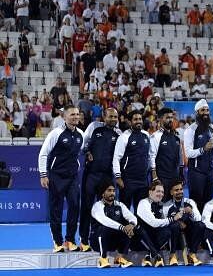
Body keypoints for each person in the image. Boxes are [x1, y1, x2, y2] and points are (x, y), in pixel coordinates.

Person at [38, 105, 85, 252]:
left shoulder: (81, 134)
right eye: (72, 114)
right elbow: (43, 154)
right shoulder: (56, 133)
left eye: (77, 114)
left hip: (72, 177)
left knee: (75, 206)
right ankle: (57, 242)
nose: (76, 117)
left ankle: (70, 240)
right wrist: (43, 174)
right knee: (56, 209)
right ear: (64, 117)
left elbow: (81, 151)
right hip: (56, 176)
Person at [79, 108, 121, 252]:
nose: (113, 119)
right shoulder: (93, 127)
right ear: (104, 116)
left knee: (106, 208)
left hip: (107, 177)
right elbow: (83, 146)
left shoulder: (119, 133)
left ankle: (101, 239)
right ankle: (84, 239)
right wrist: (88, 152)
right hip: (91, 174)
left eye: (115, 117)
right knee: (87, 207)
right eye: (110, 116)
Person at [90, 180, 151, 268]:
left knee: (130, 227)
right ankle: (102, 259)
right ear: (102, 193)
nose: (112, 193)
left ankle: (120, 258)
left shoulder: (120, 205)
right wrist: (123, 227)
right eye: (109, 190)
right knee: (104, 228)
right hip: (97, 241)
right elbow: (104, 220)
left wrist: (131, 224)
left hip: (113, 242)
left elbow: (132, 217)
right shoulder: (97, 206)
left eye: (114, 191)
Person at [136, 180, 183, 267]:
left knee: (169, 229)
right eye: (158, 191)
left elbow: (165, 223)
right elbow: (153, 223)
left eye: (162, 192)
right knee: (140, 228)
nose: (161, 194)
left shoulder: (162, 205)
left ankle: (149, 257)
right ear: (150, 192)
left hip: (155, 239)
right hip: (141, 240)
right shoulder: (143, 203)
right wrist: (173, 219)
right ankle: (156, 255)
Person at [112, 110, 151, 210]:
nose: (138, 121)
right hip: (128, 180)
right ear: (130, 122)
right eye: (135, 119)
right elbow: (116, 158)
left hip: (143, 180)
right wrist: (118, 177)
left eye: (140, 119)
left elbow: (150, 156)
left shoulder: (146, 135)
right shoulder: (124, 137)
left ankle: (139, 226)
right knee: (125, 210)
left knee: (142, 211)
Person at [184, 99, 213, 210]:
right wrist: (203, 149)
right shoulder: (190, 130)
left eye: (207, 110)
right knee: (195, 203)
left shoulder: (212, 128)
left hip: (210, 172)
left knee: (208, 203)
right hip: (196, 172)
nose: (206, 112)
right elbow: (188, 153)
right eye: (203, 110)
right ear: (197, 112)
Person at [163, 180, 206, 266]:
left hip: (189, 233)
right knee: (174, 226)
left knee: (201, 225)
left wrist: (191, 212)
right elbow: (164, 223)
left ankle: (192, 253)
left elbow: (199, 219)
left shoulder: (190, 202)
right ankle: (172, 254)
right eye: (176, 190)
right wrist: (178, 222)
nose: (179, 192)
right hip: (175, 236)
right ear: (171, 192)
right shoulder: (166, 206)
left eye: (181, 189)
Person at [149, 108, 183, 200]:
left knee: (173, 206)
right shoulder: (155, 137)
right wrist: (154, 177)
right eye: (167, 117)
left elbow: (180, 157)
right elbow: (151, 157)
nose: (171, 120)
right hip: (162, 178)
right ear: (160, 119)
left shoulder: (176, 137)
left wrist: (181, 173)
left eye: (172, 117)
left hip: (175, 178)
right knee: (160, 205)